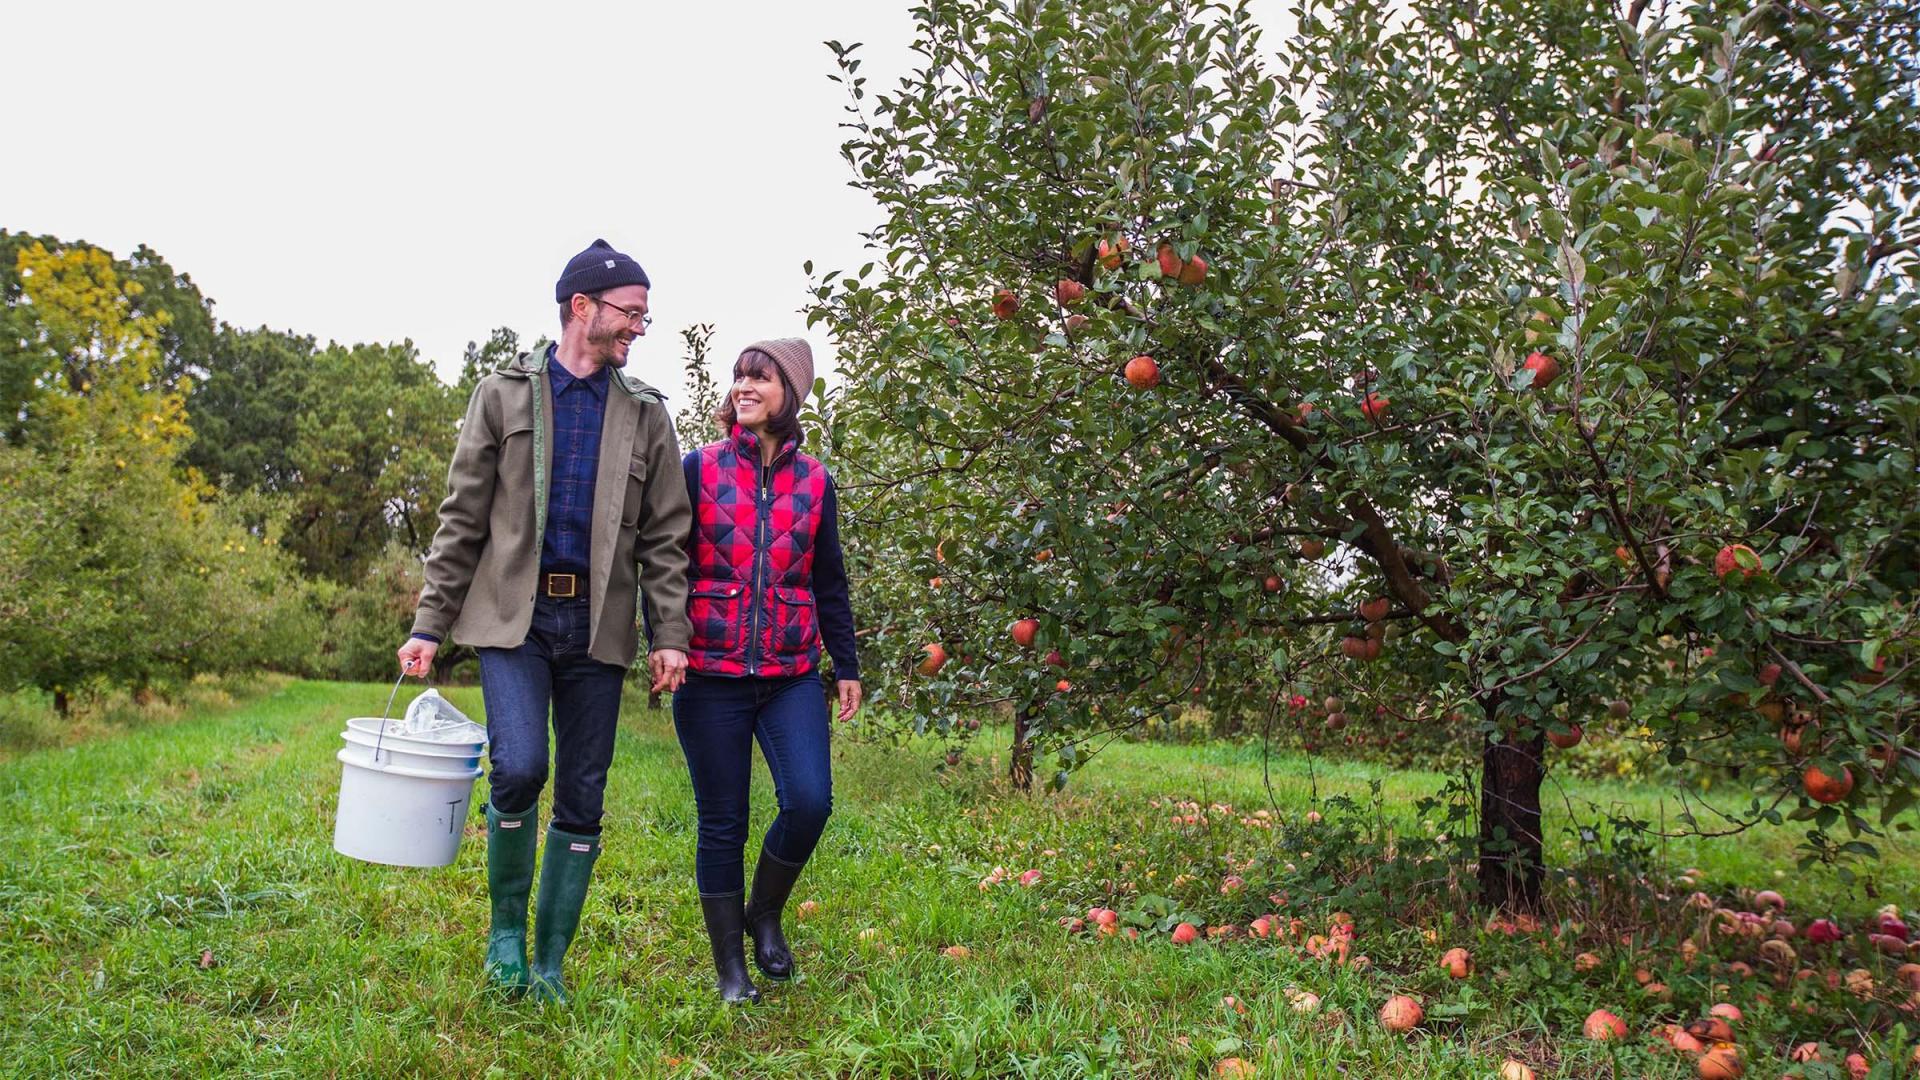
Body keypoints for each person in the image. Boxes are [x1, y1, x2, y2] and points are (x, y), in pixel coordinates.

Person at [396, 239, 694, 1005]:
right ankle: (504, 936)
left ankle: (550, 960)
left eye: (644, 317)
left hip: (598, 628)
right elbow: (462, 517)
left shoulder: (647, 416)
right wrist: (430, 624)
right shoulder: (502, 396)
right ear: (581, 307)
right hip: (514, 622)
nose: (638, 328)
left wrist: (670, 637)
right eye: (630, 313)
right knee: (522, 765)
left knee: (584, 794)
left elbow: (665, 538)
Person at [673, 338, 862, 1004]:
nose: (743, 386)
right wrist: (664, 641)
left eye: (760, 376)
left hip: (789, 674)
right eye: (739, 376)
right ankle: (731, 970)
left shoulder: (815, 481)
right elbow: (665, 569)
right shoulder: (697, 469)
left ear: (791, 392)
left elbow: (829, 580)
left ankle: (764, 913)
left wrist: (847, 664)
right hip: (709, 674)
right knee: (722, 821)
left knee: (810, 801)